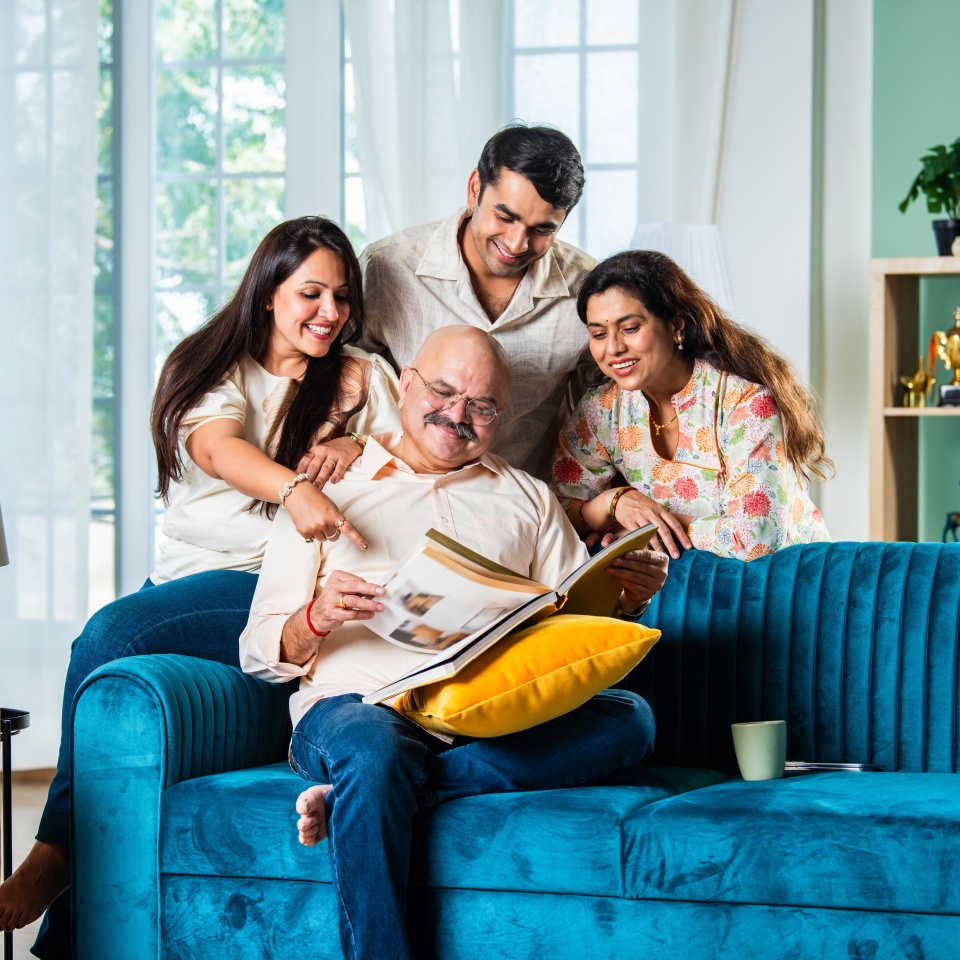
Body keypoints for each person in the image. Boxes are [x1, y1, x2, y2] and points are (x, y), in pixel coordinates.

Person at [0, 216, 401, 959]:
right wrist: (294, 489)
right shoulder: (214, 365)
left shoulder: (363, 377)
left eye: (343, 296)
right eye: (311, 293)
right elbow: (218, 448)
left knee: (109, 634)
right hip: (193, 581)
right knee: (112, 649)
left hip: (279, 587)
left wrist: (357, 444)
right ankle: (62, 906)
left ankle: (55, 856)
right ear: (268, 292)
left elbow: (411, 460)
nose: (330, 312)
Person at [240, 326, 668, 960]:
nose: (457, 414)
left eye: (482, 405)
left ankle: (370, 794)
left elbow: (569, 621)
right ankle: (372, 790)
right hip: (357, 709)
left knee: (629, 719)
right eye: (442, 391)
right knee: (374, 747)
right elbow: (257, 652)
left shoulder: (529, 499)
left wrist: (628, 599)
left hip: (479, 714)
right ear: (405, 385)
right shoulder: (325, 487)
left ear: (503, 414)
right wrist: (316, 617)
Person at [551, 250, 831, 562]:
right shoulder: (602, 410)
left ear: (676, 327)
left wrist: (651, 527)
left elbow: (757, 539)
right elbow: (554, 511)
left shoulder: (746, 403)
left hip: (790, 577)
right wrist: (614, 503)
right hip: (689, 582)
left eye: (630, 328)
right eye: (599, 334)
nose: (613, 348)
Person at [358, 123, 597, 481]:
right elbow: (341, 376)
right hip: (397, 488)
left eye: (542, 229)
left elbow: (602, 417)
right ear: (475, 189)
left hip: (522, 500)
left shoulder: (588, 291)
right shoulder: (386, 267)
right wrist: (349, 442)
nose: (516, 243)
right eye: (505, 216)